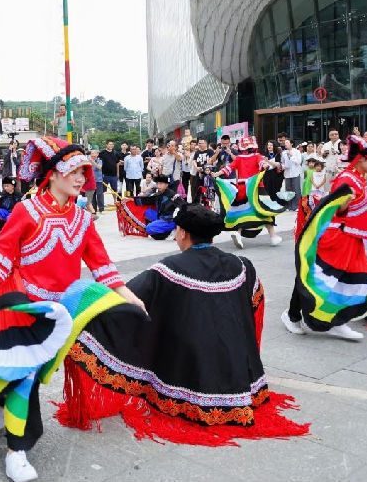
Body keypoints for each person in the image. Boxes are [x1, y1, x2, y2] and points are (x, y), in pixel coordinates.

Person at [0, 137, 144, 482]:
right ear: (53, 174)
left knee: (24, 372)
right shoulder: (27, 211)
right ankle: (17, 450)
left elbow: (100, 263)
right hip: (23, 307)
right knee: (25, 376)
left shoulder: (83, 219)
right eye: (74, 171)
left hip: (60, 313)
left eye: (84, 171)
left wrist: (126, 293)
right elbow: (3, 249)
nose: (81, 178)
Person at [57, 204, 310, 445]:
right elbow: (254, 304)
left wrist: (83, 304)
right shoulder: (242, 266)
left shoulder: (166, 270)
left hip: (188, 373)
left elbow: (125, 301)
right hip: (239, 376)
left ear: (183, 233)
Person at [285, 135, 367, 341]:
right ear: (362, 159)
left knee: (348, 282)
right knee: (315, 278)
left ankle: (337, 322)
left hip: (354, 241)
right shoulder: (347, 179)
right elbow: (332, 209)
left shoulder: (359, 178)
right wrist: (342, 204)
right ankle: (292, 316)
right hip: (337, 239)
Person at [211, 136, 284, 249]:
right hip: (256, 188)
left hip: (242, 189)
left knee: (242, 213)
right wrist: (264, 165)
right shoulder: (257, 156)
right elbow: (262, 164)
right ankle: (273, 236)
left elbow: (228, 168)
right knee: (266, 211)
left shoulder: (239, 158)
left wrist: (216, 174)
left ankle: (238, 233)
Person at [133, 174, 183, 239]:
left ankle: (170, 231)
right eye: (157, 183)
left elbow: (182, 205)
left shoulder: (172, 195)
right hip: (161, 216)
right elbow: (147, 200)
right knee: (147, 212)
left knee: (149, 228)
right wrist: (130, 199)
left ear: (166, 184)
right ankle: (160, 226)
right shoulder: (158, 193)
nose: (158, 185)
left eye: (161, 183)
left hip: (170, 220)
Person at [190, 139, 214, 204]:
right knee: (198, 189)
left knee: (208, 190)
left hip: (207, 175)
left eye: (201, 143)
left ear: (205, 143)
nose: (199, 144)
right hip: (199, 174)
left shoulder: (210, 151)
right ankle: (197, 203)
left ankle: (208, 204)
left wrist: (206, 166)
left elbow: (212, 160)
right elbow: (194, 160)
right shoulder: (197, 152)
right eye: (199, 143)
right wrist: (196, 167)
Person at [281, 138, 303, 210]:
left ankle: (296, 206)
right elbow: (282, 162)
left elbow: (299, 162)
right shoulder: (284, 152)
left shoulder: (297, 152)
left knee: (296, 189)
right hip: (287, 173)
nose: (285, 144)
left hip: (295, 173)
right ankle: (289, 206)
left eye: (287, 142)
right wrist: (283, 166)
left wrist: (292, 156)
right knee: (288, 189)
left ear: (291, 144)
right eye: (285, 143)